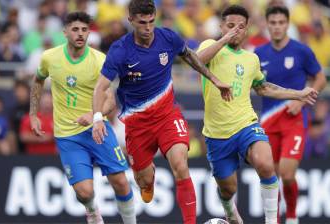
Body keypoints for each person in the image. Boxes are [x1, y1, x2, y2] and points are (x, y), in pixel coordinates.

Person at [92, 1, 232, 223]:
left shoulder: (168, 37)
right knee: (144, 184)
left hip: (168, 116)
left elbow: (191, 57)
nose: (147, 28)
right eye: (142, 23)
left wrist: (214, 79)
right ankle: (147, 177)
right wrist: (97, 118)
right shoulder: (120, 51)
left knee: (180, 164)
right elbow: (101, 87)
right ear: (131, 21)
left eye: (151, 22)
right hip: (137, 125)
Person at [196, 5, 318, 224]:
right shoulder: (210, 46)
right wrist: (224, 39)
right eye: (230, 26)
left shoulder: (251, 59)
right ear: (222, 26)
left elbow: (264, 88)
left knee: (265, 163)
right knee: (227, 188)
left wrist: (298, 94)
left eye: (240, 27)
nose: (235, 31)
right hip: (217, 133)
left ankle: (272, 221)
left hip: (246, 124)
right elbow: (196, 60)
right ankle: (231, 213)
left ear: (247, 30)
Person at [29, 12, 136, 224]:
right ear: (65, 32)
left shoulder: (100, 61)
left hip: (98, 129)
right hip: (68, 135)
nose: (80, 34)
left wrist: (95, 115)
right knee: (85, 192)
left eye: (85, 30)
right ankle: (92, 210)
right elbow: (38, 80)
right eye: (76, 29)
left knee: (121, 182)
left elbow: (111, 101)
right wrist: (33, 114)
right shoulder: (50, 57)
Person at [255, 6, 327, 224]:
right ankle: (274, 220)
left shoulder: (301, 51)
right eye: (273, 23)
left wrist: (302, 100)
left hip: (294, 121)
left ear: (288, 24)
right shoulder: (259, 54)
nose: (277, 27)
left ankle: (293, 217)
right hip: (268, 121)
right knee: (271, 177)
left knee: (287, 174)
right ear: (267, 24)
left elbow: (320, 78)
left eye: (281, 23)